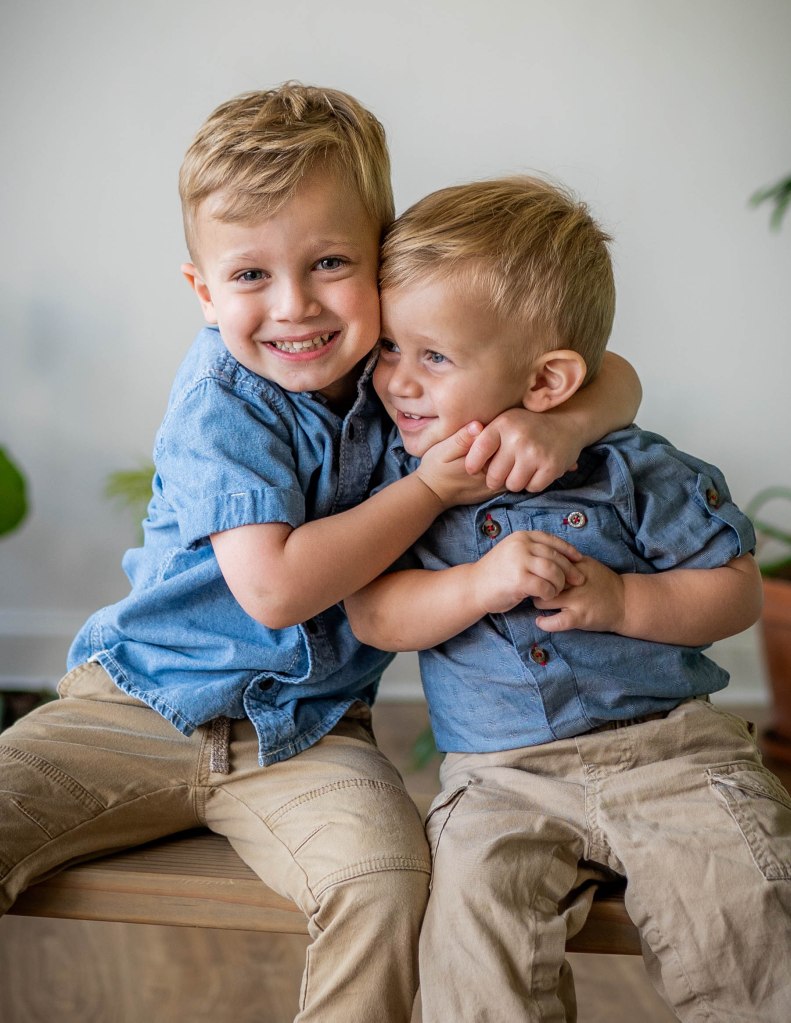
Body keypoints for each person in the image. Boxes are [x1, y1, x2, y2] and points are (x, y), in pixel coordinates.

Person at [0, 88, 643, 1023]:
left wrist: (568, 423)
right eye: (250, 275)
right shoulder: (222, 398)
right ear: (203, 292)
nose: (294, 305)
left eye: (330, 263)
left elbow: (605, 367)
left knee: (386, 881)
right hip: (138, 702)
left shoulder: (410, 374)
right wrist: (428, 489)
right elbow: (275, 589)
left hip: (309, 731)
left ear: (383, 259)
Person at [345, 175, 791, 1021]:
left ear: (547, 381)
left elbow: (735, 593)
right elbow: (373, 613)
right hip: (498, 778)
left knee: (747, 915)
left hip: (669, 749)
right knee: (470, 949)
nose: (397, 380)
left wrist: (623, 602)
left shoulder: (630, 468)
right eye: (389, 347)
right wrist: (477, 583)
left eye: (433, 356)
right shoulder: (400, 481)